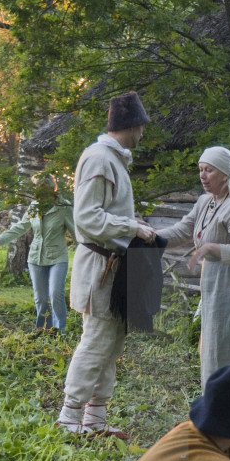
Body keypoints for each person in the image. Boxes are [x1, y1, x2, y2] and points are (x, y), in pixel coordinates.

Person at [56, 91, 157, 438]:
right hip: (100, 268)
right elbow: (86, 219)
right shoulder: (99, 159)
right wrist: (131, 227)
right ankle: (69, 418)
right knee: (96, 341)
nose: (143, 134)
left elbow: (109, 213)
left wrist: (134, 223)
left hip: (115, 269)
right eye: (141, 127)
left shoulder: (113, 160)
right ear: (131, 125)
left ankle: (94, 419)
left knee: (111, 345)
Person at [158, 146, 230, 412]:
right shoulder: (205, 202)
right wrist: (150, 238)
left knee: (229, 339)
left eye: (209, 170)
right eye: (200, 170)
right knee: (214, 339)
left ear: (225, 173)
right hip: (217, 276)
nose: (203, 175)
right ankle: (220, 402)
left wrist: (212, 249)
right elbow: (183, 230)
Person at [0, 174, 73, 332]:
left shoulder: (64, 207)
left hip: (58, 257)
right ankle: (43, 329)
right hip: (35, 258)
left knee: (55, 294)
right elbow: (20, 227)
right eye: (38, 189)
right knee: (40, 298)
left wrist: (91, 247)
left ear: (52, 188)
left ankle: (59, 330)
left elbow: (77, 232)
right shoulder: (34, 206)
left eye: (44, 188)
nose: (41, 192)